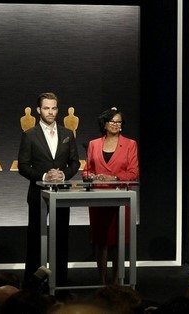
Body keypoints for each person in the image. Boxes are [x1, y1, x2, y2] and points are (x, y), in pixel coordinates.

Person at [18, 92, 80, 285]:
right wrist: (45, 177)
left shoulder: (67, 134)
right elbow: (23, 166)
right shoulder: (29, 135)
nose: (50, 112)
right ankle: (33, 283)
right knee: (36, 239)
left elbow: (75, 163)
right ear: (39, 110)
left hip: (62, 193)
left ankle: (60, 281)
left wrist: (63, 175)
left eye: (53, 108)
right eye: (46, 108)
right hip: (38, 193)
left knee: (61, 239)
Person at [82, 108, 140, 285]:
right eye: (112, 121)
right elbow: (87, 170)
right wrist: (90, 176)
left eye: (119, 122)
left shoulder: (130, 144)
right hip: (98, 198)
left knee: (117, 241)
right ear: (104, 124)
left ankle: (117, 282)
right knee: (101, 241)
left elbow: (133, 172)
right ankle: (102, 281)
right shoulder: (94, 144)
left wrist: (114, 177)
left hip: (120, 198)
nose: (115, 124)